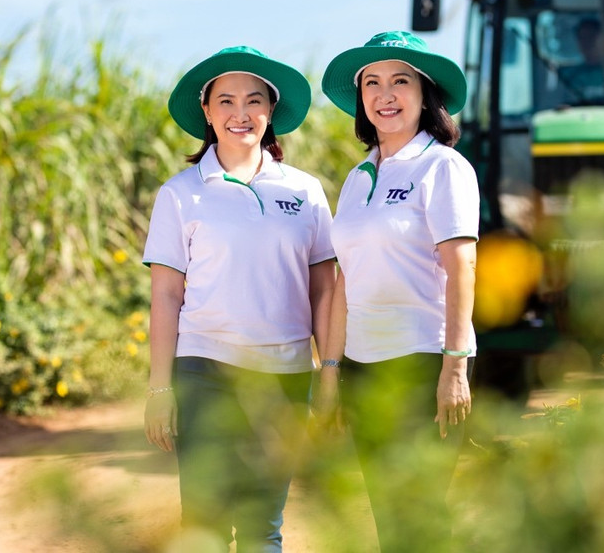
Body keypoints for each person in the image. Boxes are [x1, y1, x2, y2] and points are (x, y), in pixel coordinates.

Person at [142, 46, 337, 552]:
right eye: (225, 101)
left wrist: (329, 371)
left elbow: (324, 288)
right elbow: (166, 295)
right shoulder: (181, 193)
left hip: (285, 376)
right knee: (203, 522)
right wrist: (160, 389)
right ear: (206, 112)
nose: (240, 113)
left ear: (271, 111)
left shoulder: (306, 191)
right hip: (204, 371)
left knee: (261, 527)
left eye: (254, 100)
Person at [316, 30, 479, 552]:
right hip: (364, 367)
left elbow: (462, 267)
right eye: (372, 83)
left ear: (426, 94)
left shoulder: (443, 167)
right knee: (387, 515)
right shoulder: (358, 177)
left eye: (400, 81)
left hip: (424, 361)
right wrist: (331, 370)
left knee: (420, 511)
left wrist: (455, 367)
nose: (385, 94)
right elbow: (345, 280)